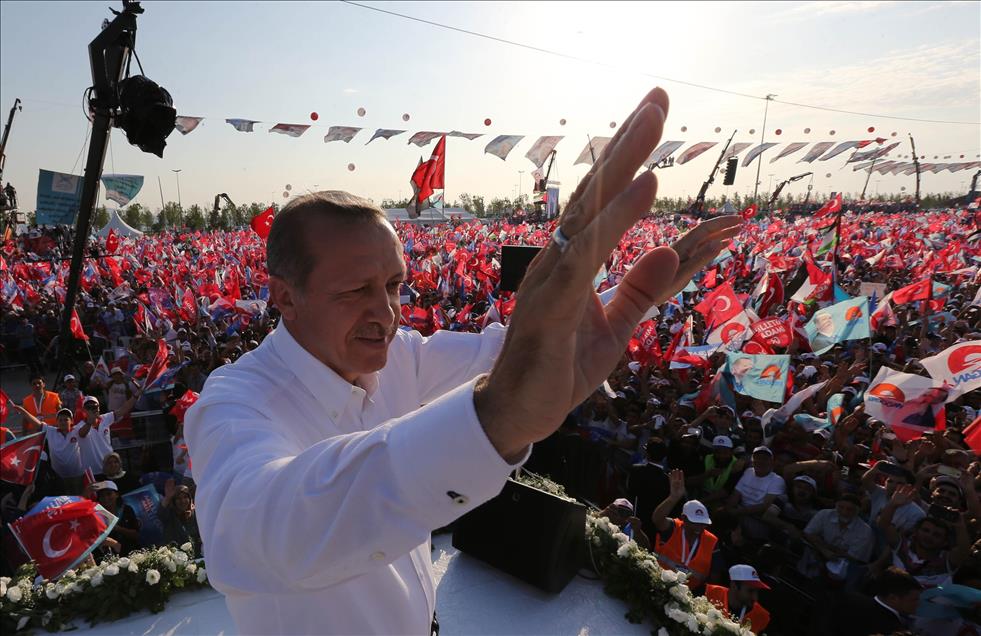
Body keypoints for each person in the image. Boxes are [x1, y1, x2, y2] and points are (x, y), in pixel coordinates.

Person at [184, 88, 742, 634]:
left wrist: (624, 303)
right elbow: (264, 529)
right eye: (355, 290)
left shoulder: (397, 358)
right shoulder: (234, 402)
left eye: (395, 285)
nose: (386, 311)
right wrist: (495, 417)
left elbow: (518, 350)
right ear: (284, 296)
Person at [651, 469, 718, 590]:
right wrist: (673, 498)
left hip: (686, 597)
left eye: (703, 523)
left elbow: (714, 578)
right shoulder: (672, 527)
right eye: (695, 522)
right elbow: (657, 519)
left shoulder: (712, 543)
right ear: (684, 518)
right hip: (656, 584)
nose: (700, 526)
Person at [832, 567, 922, 636]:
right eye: (914, 599)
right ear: (893, 598)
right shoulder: (893, 630)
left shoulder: (849, 599)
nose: (920, 604)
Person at [78, 392, 140, 475]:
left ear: (99, 408)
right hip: (93, 472)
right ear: (84, 410)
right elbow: (82, 434)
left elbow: (123, 409)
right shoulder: (79, 426)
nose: (92, 409)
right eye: (88, 407)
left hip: (111, 468)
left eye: (95, 406)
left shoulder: (105, 418)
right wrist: (89, 422)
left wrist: (136, 395)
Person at [704, 564, 771, 635]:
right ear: (734, 586)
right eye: (750, 591)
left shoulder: (761, 616)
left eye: (757, 591)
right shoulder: (709, 592)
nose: (755, 597)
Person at [91, 480, 141, 555]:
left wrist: (118, 528)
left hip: (133, 553)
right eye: (102, 496)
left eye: (109, 494)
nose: (105, 498)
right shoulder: (97, 514)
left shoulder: (126, 509)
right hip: (109, 558)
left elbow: (136, 535)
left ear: (117, 494)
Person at [161, 480, 201, 556]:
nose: (182, 501)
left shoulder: (196, 514)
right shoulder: (170, 515)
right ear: (173, 501)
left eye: (185, 497)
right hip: (175, 560)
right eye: (178, 498)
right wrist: (167, 498)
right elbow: (161, 513)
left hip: (197, 558)